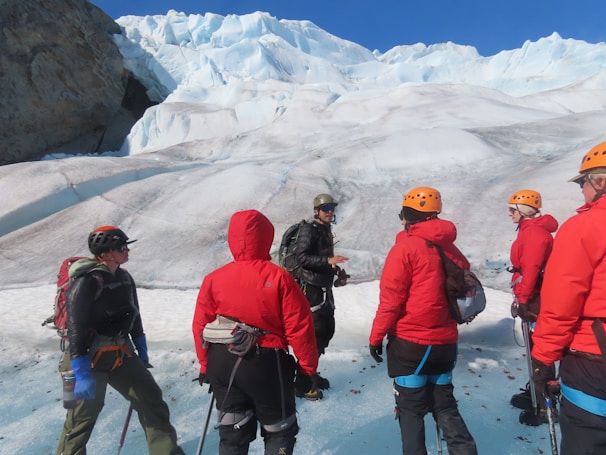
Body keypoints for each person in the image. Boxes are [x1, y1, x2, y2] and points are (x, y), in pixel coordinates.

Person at [192, 209, 320, 455]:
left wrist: (205, 365)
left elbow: (200, 325)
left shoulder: (213, 279)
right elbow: (300, 328)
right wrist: (307, 370)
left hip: (222, 362)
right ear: (266, 238)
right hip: (266, 364)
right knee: (279, 432)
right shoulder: (279, 277)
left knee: (232, 435)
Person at [56, 226, 184, 455]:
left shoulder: (124, 277)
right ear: (105, 253)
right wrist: (81, 370)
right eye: (122, 247)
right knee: (80, 419)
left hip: (121, 354)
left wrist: (140, 344)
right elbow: (75, 325)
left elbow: (133, 313)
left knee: (151, 399)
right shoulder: (87, 281)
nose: (128, 251)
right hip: (87, 359)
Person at [369, 187, 477, 455]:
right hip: (444, 343)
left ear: (407, 216)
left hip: (410, 345)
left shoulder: (405, 249)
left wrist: (375, 337)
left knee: (411, 411)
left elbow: (391, 301)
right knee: (445, 405)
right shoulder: (451, 249)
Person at [531, 142, 606, 455]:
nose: (582, 192)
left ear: (600, 181)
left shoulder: (585, 227)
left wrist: (543, 360)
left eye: (583, 183)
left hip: (593, 358)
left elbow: (562, 303)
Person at [506, 189, 558, 423]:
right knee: (536, 346)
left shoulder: (534, 234)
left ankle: (545, 404)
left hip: (537, 297)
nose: (509, 214)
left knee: (540, 349)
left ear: (523, 210)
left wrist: (524, 299)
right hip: (535, 294)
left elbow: (531, 269)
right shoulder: (530, 230)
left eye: (512, 209)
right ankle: (538, 395)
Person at [292, 193, 349, 400]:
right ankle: (303, 383)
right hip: (311, 291)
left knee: (325, 332)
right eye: (326, 208)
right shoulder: (309, 229)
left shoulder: (324, 229)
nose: (330, 211)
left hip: (322, 289)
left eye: (332, 208)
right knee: (314, 336)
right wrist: (328, 261)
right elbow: (302, 257)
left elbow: (323, 259)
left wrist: (336, 271)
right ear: (316, 210)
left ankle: (310, 373)